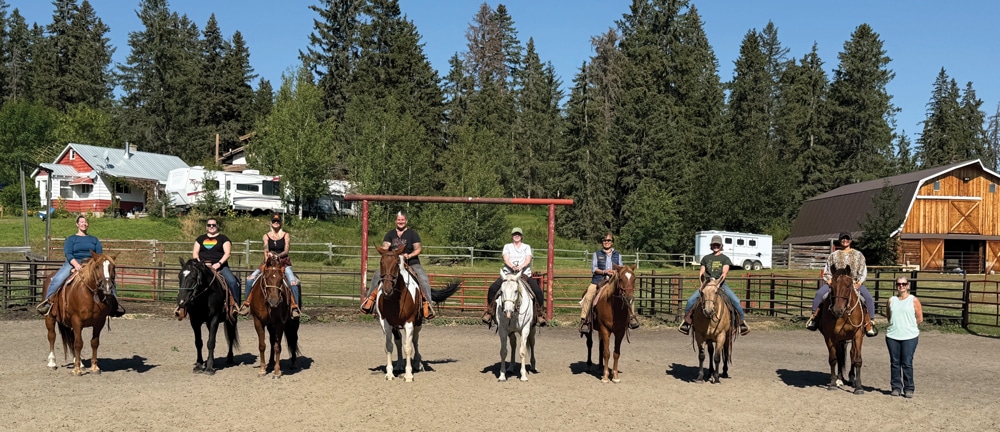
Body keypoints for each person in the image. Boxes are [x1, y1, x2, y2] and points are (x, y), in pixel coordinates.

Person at [36, 215, 125, 317]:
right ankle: (48, 303)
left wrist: (93, 264)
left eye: (86, 222)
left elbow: (99, 254)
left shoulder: (94, 239)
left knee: (107, 279)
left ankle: (114, 305)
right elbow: (68, 254)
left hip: (91, 263)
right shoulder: (71, 239)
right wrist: (77, 265)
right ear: (77, 224)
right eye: (82, 222)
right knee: (57, 279)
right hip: (74, 262)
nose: (84, 224)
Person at [360, 212, 435, 319]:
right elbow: (385, 246)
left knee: (423, 278)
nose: (400, 222)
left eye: (402, 220)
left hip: (411, 262)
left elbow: (418, 248)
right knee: (377, 276)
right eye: (399, 220)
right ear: (396, 221)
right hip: (393, 262)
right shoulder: (390, 234)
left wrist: (409, 255)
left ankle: (427, 305)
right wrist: (386, 250)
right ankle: (370, 302)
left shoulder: (412, 234)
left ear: (406, 221)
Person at [806, 231, 878, 337]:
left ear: (851, 241)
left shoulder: (859, 255)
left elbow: (863, 270)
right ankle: (814, 319)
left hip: (853, 283)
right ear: (840, 240)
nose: (845, 240)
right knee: (820, 294)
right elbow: (827, 270)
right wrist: (829, 280)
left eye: (847, 238)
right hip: (836, 283)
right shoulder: (833, 255)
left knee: (868, 298)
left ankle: (869, 324)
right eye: (843, 238)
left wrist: (859, 282)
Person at [678, 235, 750, 336]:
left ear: (721, 246)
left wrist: (718, 284)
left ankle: (741, 323)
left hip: (720, 283)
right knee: (691, 300)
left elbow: (724, 273)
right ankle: (687, 322)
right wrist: (702, 284)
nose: (715, 246)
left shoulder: (725, 259)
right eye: (714, 244)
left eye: (717, 244)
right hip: (707, 284)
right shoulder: (706, 258)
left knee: (736, 301)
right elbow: (701, 273)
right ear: (711, 246)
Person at [481, 227, 547, 327]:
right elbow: (506, 258)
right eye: (515, 234)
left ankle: (539, 314)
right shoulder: (507, 246)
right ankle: (490, 313)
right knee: (492, 289)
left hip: (524, 274)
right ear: (512, 236)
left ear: (521, 236)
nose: (517, 236)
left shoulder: (526, 247)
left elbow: (528, 259)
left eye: (519, 234)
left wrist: (521, 267)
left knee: (538, 291)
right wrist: (512, 266)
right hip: (508, 274)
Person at [240, 214, 301, 318]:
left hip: (283, 263)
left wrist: (277, 255)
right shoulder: (266, 236)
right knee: (250, 279)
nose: (275, 223)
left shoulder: (286, 235)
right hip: (268, 263)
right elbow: (266, 249)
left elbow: (286, 251)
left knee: (293, 282)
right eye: (274, 221)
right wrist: (268, 256)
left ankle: (294, 306)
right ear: (271, 223)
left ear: (280, 223)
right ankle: (247, 304)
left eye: (277, 221)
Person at [578, 233, 639, 333]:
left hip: (613, 281)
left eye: (608, 240)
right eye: (604, 240)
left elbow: (621, 269)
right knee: (589, 294)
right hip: (598, 280)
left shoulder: (618, 255)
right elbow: (594, 268)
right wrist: (605, 271)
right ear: (602, 242)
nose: (606, 242)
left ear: (612, 242)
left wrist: (615, 272)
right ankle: (584, 320)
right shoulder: (596, 254)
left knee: (628, 295)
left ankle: (630, 318)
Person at [192, 217, 241, 316]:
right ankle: (185, 305)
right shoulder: (200, 239)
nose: (211, 227)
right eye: (209, 225)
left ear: (217, 226)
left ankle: (235, 304)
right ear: (206, 227)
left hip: (220, 266)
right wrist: (200, 264)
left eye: (214, 225)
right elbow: (195, 253)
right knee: (189, 280)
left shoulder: (224, 239)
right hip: (203, 266)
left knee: (232, 281)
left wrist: (218, 264)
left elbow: (227, 253)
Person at [885, 276, 923, 398]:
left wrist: (909, 326)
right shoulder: (891, 300)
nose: (901, 286)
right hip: (893, 335)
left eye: (903, 284)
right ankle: (896, 387)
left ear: (907, 286)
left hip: (909, 336)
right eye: (898, 284)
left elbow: (919, 318)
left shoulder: (913, 300)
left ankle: (909, 388)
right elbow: (889, 316)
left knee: (907, 362)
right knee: (895, 362)